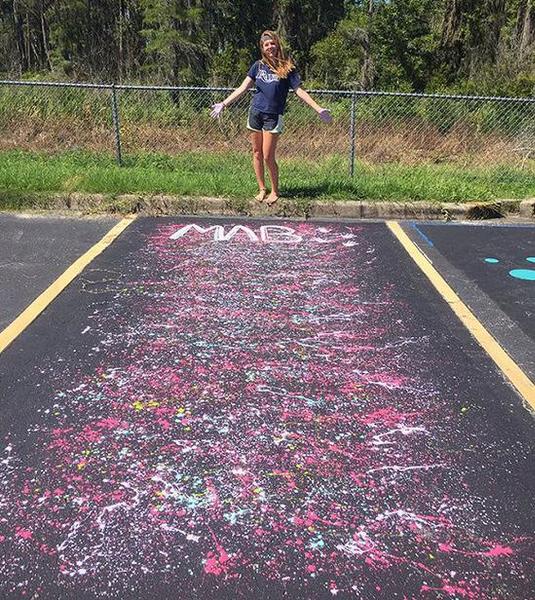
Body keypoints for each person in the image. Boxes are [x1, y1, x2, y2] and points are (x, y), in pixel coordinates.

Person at [210, 30, 332, 206]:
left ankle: (275, 190)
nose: (270, 47)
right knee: (257, 152)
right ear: (262, 48)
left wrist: (318, 108)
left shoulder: (287, 67)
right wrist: (224, 103)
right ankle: (262, 188)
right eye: (266, 45)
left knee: (268, 156)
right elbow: (243, 88)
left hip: (273, 116)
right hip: (256, 113)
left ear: (277, 45)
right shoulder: (257, 66)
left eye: (272, 43)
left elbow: (299, 91)